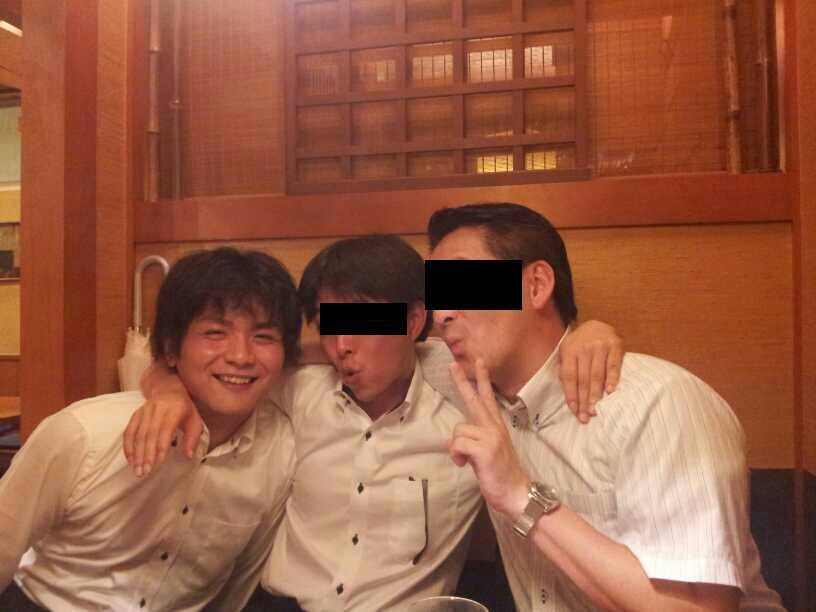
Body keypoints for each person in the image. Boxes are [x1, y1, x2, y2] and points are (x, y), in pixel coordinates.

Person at [125, 235, 623, 610]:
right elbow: (197, 369)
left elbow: (532, 359)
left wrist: (589, 332)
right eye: (329, 325)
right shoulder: (298, 390)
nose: (342, 346)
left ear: (413, 321)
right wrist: (166, 389)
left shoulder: (468, 403)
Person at [425, 202, 785, 612]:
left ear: (537, 285)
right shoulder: (468, 386)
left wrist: (519, 495)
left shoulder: (657, 403)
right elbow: (374, 347)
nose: (442, 315)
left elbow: (701, 610)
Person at [0, 247, 302, 611]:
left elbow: (239, 585)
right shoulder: (84, 434)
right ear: (171, 349)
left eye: (263, 337)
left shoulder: (282, 453)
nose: (241, 356)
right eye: (215, 332)